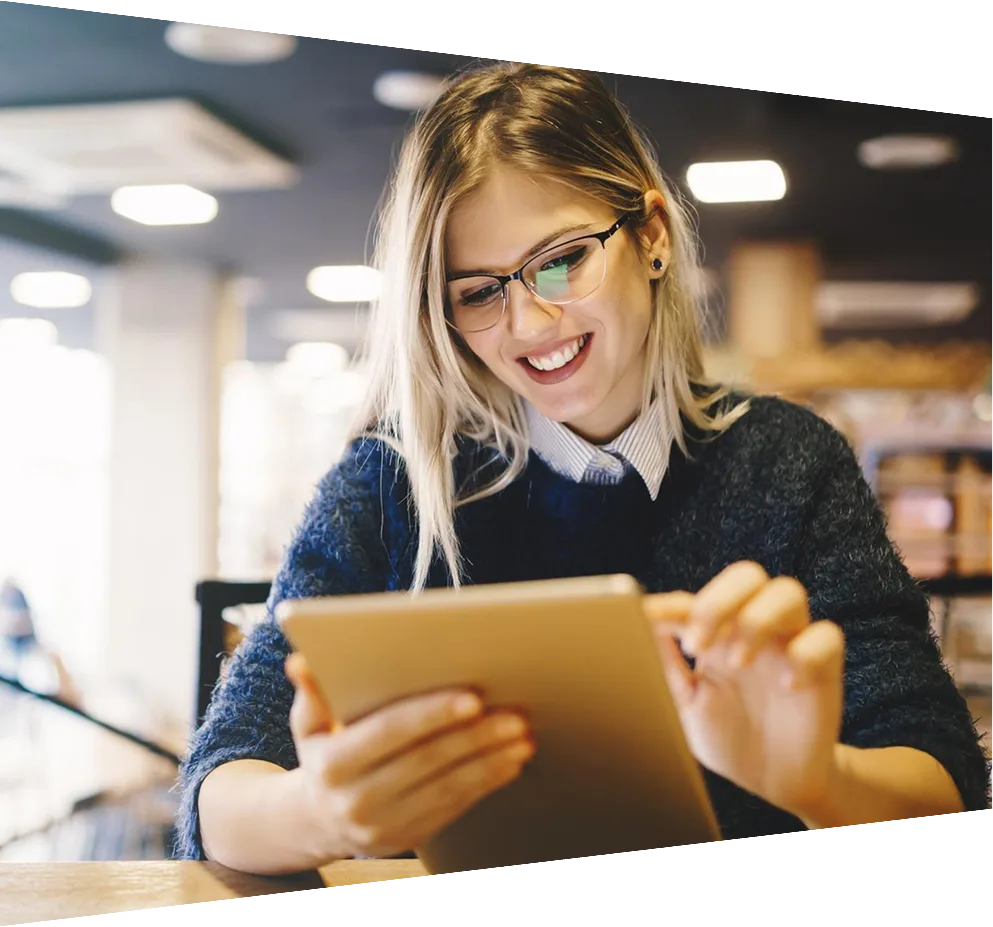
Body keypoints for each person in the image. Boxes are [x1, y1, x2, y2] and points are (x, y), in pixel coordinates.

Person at [174, 63, 990, 873]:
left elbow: (943, 780)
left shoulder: (788, 461)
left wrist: (815, 779)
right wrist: (314, 810)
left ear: (652, 235)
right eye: (478, 292)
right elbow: (220, 783)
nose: (530, 322)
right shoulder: (395, 479)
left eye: (561, 259)